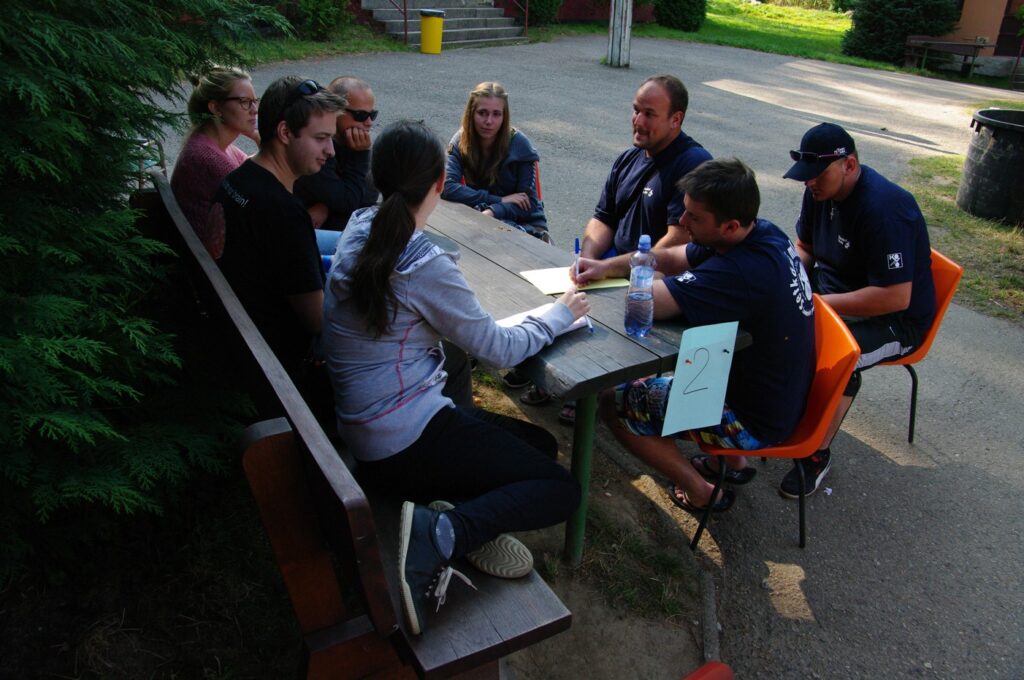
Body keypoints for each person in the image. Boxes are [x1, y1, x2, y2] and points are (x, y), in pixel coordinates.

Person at [321, 120, 589, 635]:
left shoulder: (360, 225)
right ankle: (442, 531)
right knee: (560, 488)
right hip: (400, 442)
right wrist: (561, 313)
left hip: (369, 431)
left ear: (377, 177)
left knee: (538, 445)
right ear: (440, 184)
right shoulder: (423, 263)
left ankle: (451, 514)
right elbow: (498, 349)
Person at [597, 158, 816, 513]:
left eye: (693, 217)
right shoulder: (762, 233)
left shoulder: (740, 271)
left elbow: (644, 302)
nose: (682, 222)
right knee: (667, 369)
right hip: (777, 396)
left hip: (751, 418)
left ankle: (700, 491)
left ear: (729, 226)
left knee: (613, 401)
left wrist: (645, 278)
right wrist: (604, 267)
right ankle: (728, 462)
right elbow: (673, 257)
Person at [780, 122, 935, 499]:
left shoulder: (886, 208)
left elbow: (895, 297)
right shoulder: (818, 191)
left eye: (817, 175)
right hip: (836, 296)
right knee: (772, 320)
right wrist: (789, 282)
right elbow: (805, 247)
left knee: (837, 358)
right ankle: (779, 415)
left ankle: (815, 454)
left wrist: (817, 303)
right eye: (806, 175)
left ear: (849, 165)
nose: (809, 183)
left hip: (895, 321)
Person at [209, 77, 344, 391]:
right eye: (321, 138)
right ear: (285, 132)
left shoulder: (238, 180)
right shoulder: (283, 212)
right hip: (276, 368)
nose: (331, 151)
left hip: (236, 336)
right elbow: (318, 320)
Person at [574, 74, 712, 285]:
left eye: (649, 114)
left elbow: (677, 242)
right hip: (612, 268)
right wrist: (587, 260)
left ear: (675, 119)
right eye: (636, 110)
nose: (638, 121)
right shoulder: (627, 159)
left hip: (654, 280)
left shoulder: (694, 165)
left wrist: (607, 268)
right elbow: (603, 218)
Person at [441, 81, 550, 243]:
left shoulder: (520, 145)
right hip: (481, 216)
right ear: (471, 113)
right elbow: (446, 187)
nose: (489, 121)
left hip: (525, 224)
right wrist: (498, 200)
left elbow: (529, 204)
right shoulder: (461, 140)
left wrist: (494, 211)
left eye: (496, 114)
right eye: (482, 113)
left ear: (504, 117)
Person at [171, 66, 258, 258]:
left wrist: (260, 140)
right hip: (223, 266)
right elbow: (262, 205)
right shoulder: (207, 158)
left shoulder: (216, 146)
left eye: (254, 101)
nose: (254, 110)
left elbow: (254, 173)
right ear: (216, 108)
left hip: (232, 254)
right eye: (245, 102)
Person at [294, 76, 380, 249]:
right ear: (335, 110)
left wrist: (326, 206)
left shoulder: (350, 144)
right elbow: (349, 204)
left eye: (372, 115)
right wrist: (360, 156)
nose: (369, 123)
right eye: (361, 115)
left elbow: (368, 198)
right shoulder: (318, 147)